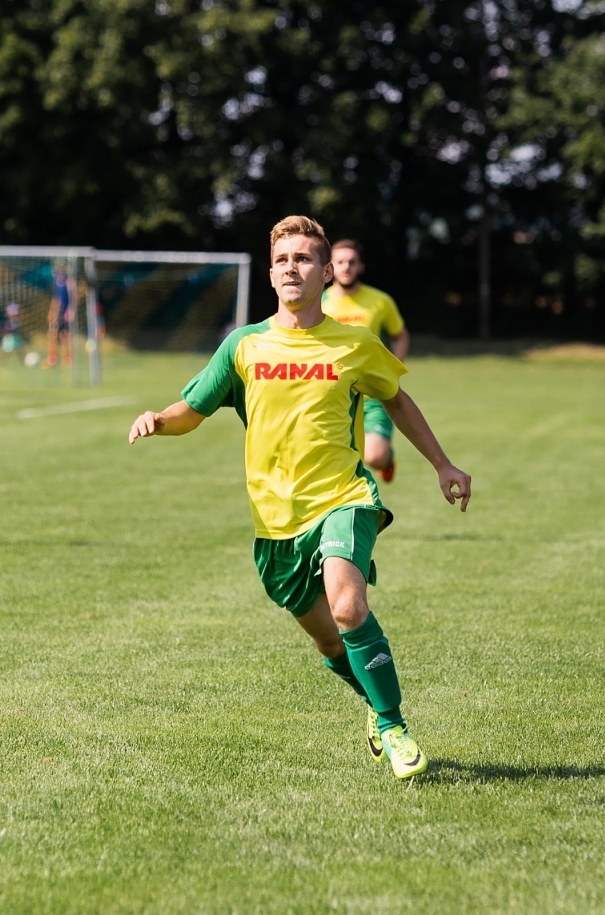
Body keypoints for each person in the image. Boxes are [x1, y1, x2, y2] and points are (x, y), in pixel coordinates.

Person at [127, 215, 471, 778]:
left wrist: (442, 463)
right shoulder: (244, 344)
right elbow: (193, 409)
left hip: (343, 497)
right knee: (331, 643)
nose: (292, 268)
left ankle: (394, 726)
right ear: (270, 275)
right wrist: (159, 421)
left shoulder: (355, 343)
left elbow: (396, 399)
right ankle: (372, 703)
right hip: (274, 521)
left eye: (304, 258)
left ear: (326, 273)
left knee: (348, 607)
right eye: (283, 260)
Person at [321, 239, 409, 482]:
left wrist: (392, 369)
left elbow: (400, 335)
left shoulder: (380, 301)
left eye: (352, 262)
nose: (346, 267)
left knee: (374, 457)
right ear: (330, 267)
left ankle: (387, 459)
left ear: (361, 266)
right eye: (340, 262)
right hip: (334, 393)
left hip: (373, 393)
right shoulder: (318, 303)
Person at [46, 265, 74, 367]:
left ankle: (68, 358)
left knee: (65, 335)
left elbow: (73, 298)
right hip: (57, 312)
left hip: (66, 312)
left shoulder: (69, 282)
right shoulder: (55, 283)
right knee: (52, 334)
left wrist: (70, 310)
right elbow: (55, 299)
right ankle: (52, 358)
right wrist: (51, 312)